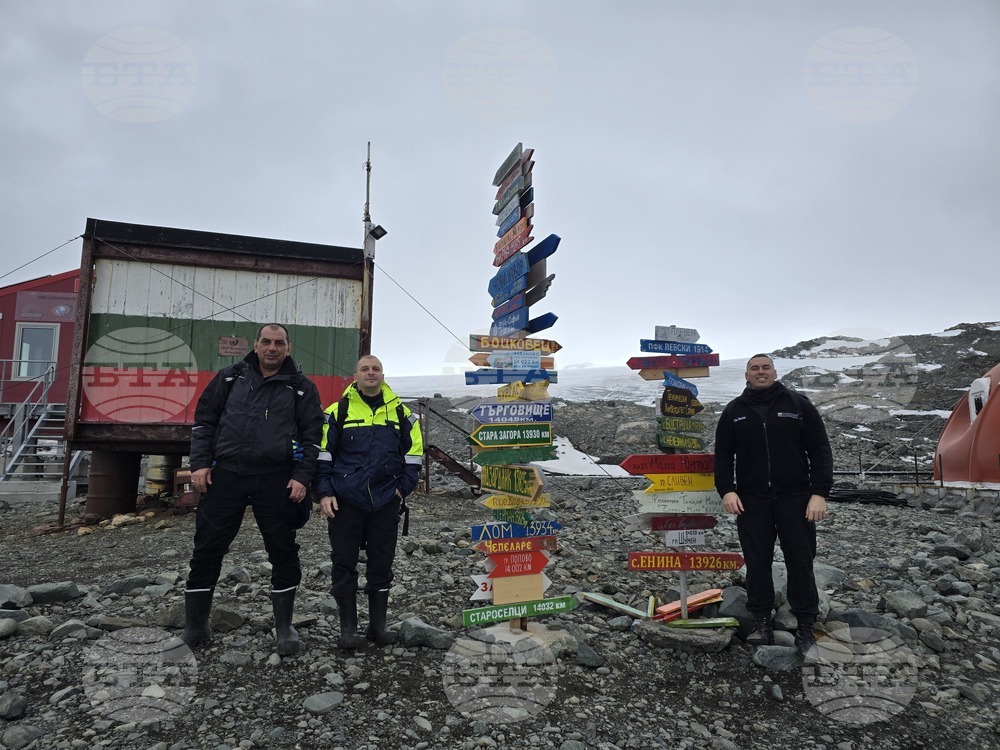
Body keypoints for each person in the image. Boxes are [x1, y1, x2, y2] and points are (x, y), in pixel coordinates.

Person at [181, 323, 323, 656]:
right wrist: (199, 464)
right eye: (266, 342)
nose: (272, 348)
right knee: (206, 549)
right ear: (256, 345)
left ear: (289, 348)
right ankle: (195, 627)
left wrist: (302, 477)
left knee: (283, 551)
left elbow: (313, 437)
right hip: (225, 475)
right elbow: (204, 422)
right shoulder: (230, 378)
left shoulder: (301, 388)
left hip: (277, 478)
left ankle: (285, 628)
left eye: (279, 343)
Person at [714, 353, 833, 657]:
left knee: (801, 561)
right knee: (756, 563)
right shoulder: (734, 412)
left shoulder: (797, 405)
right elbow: (724, 457)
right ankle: (761, 622)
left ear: (775, 372)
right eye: (755, 368)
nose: (760, 372)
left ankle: (805, 626)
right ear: (746, 375)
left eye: (765, 367)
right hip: (752, 501)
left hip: (796, 498)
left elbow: (820, 450)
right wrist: (727, 490)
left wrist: (819, 493)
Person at [314, 354, 423, 649]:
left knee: (382, 564)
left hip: (386, 502)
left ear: (383, 377)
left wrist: (401, 491)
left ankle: (378, 628)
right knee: (344, 563)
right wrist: (324, 492)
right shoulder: (338, 412)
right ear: (356, 376)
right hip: (345, 502)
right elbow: (322, 456)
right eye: (365, 369)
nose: (371, 373)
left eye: (376, 369)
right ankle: (348, 631)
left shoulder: (403, 414)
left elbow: (414, 458)